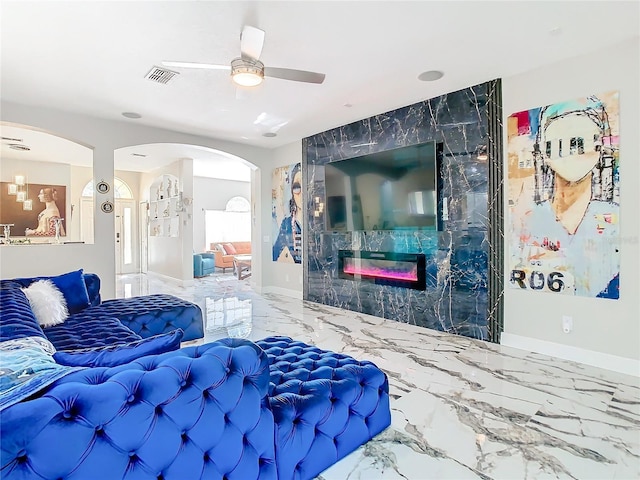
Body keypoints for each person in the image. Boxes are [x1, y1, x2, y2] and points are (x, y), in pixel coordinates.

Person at [510, 94, 619, 298]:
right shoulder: (526, 217)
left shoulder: (614, 218)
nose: (570, 152)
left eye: (580, 143)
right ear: (543, 149)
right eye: (558, 144)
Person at [273, 163, 302, 263]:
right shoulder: (286, 223)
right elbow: (275, 253)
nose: (302, 193)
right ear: (292, 192)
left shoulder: (318, 222)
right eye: (297, 187)